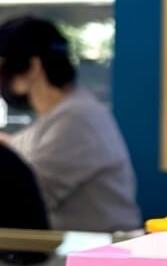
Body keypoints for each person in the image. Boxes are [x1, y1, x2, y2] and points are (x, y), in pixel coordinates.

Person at [0, 16, 141, 233]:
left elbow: (24, 196)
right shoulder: (62, 115)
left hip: (96, 250)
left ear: (33, 67)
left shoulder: (78, 119)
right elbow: (21, 148)